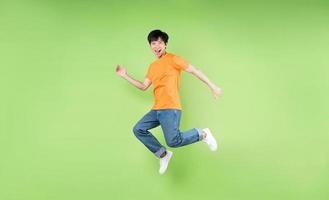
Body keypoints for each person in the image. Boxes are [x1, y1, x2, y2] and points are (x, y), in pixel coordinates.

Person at [116, 29, 222, 174]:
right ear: (150, 46)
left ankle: (203, 134)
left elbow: (195, 70)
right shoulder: (152, 66)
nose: (156, 46)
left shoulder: (174, 59)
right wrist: (125, 75)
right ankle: (163, 154)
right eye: (153, 43)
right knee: (138, 129)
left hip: (171, 108)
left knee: (173, 141)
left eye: (160, 42)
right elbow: (143, 86)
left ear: (165, 45)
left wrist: (213, 86)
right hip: (157, 110)